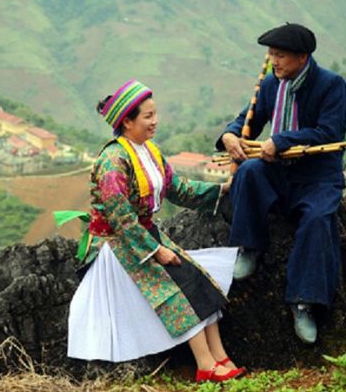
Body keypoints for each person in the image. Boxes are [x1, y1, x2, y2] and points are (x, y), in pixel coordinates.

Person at [66, 79, 246, 383]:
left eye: (155, 114)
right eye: (148, 116)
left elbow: (178, 188)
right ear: (127, 122)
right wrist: (156, 251)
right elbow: (121, 219)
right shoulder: (112, 161)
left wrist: (223, 190)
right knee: (175, 293)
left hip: (146, 234)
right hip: (118, 244)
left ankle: (220, 357)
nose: (155, 121)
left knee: (199, 280)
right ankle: (205, 365)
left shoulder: (148, 151)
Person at [217, 23, 346, 344]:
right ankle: (249, 246)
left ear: (302, 57)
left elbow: (329, 133)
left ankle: (303, 302)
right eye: (271, 55)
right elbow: (246, 120)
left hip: (317, 177)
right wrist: (230, 135)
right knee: (248, 172)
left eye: (280, 55)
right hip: (279, 172)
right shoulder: (271, 85)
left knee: (318, 220)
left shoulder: (332, 85)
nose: (273, 61)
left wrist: (282, 140)